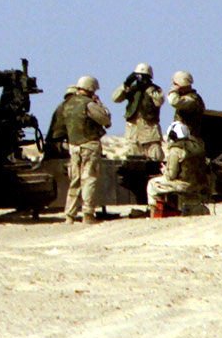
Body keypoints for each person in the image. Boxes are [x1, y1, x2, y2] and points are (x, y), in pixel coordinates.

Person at [51, 76, 112, 223]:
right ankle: (88, 214)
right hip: (89, 145)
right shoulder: (89, 104)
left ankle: (69, 215)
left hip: (73, 146)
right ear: (91, 89)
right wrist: (99, 104)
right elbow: (106, 120)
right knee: (89, 179)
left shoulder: (67, 105)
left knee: (75, 180)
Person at [145, 121, 211, 217]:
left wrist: (164, 171)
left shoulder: (175, 150)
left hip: (183, 185)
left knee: (151, 184)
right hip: (200, 184)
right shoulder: (197, 147)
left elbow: (171, 175)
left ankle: (155, 213)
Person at [112, 63, 164, 161]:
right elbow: (115, 98)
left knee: (155, 157)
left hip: (149, 130)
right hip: (133, 130)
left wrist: (148, 88)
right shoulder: (132, 89)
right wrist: (126, 84)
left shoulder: (154, 89)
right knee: (133, 159)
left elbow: (159, 101)